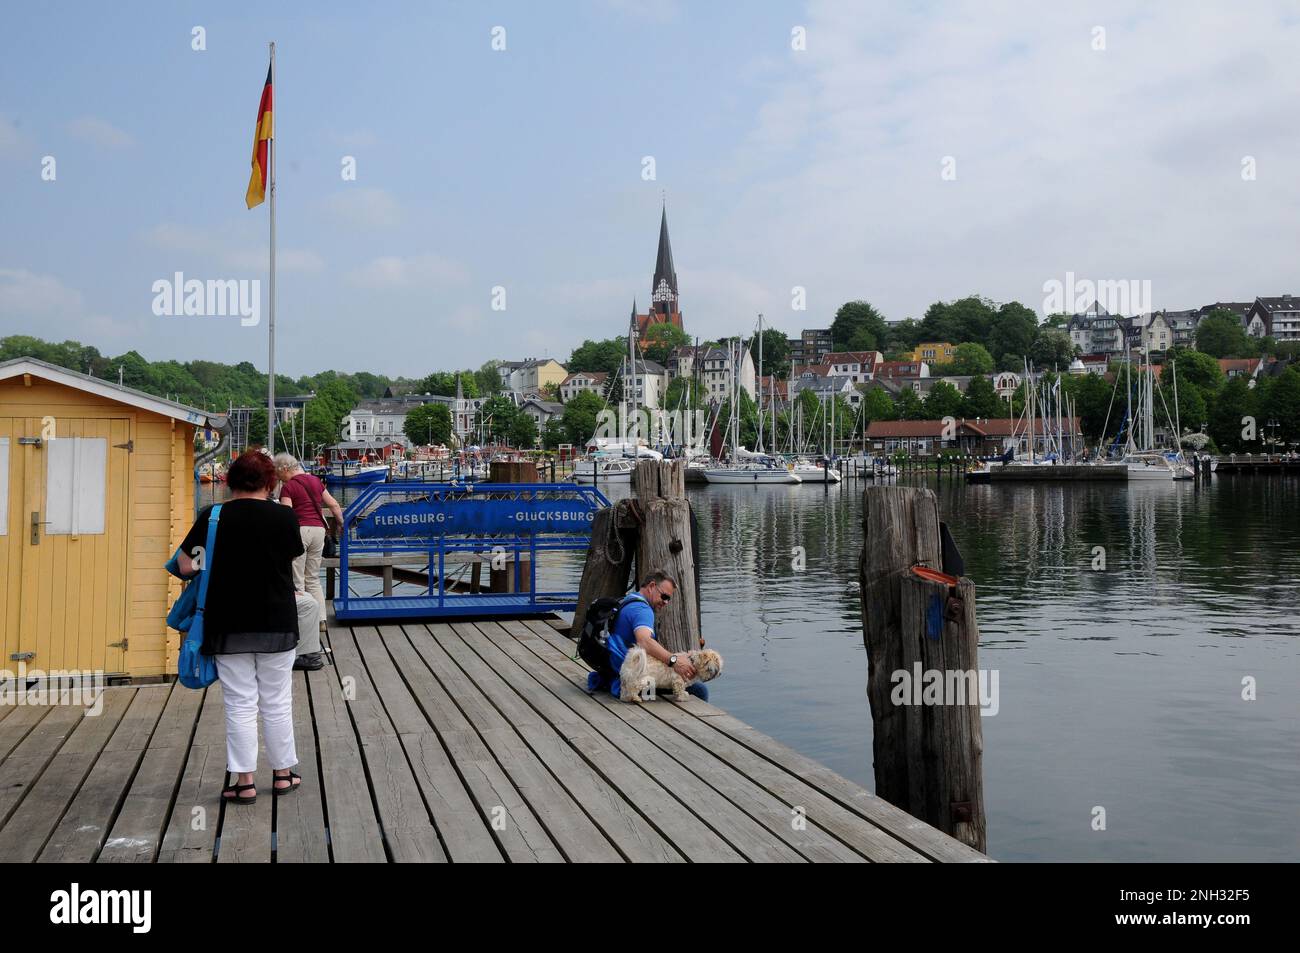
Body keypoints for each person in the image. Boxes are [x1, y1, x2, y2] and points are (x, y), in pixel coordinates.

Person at [176, 450, 304, 804]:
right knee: (277, 701)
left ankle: (244, 781)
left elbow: (186, 566)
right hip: (277, 621)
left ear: (231, 481)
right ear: (270, 482)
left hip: (227, 622)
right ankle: (282, 775)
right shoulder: (283, 517)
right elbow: (290, 555)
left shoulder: (212, 517)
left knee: (239, 702)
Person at [591, 569, 709, 702]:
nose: (666, 602)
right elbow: (644, 641)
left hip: (615, 669)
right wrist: (674, 661)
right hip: (633, 675)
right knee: (699, 690)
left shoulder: (628, 599)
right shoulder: (643, 611)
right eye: (664, 596)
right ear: (652, 586)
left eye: (669, 599)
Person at [273, 453, 343, 628]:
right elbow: (333, 504)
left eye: (278, 472)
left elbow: (286, 515)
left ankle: (302, 623)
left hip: (300, 532)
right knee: (313, 578)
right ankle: (321, 619)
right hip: (319, 530)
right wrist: (341, 523)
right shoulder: (315, 481)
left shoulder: (288, 488)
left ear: (285, 469)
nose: (277, 476)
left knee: (297, 579)